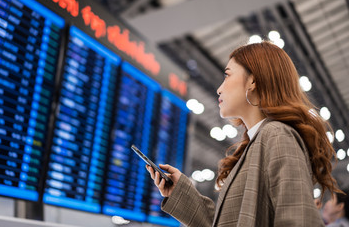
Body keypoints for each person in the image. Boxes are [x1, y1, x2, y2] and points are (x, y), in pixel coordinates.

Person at [146, 41, 342, 226]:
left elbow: (299, 220)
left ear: (253, 81)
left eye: (227, 75)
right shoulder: (258, 142)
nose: (219, 88)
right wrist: (180, 192)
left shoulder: (277, 135)